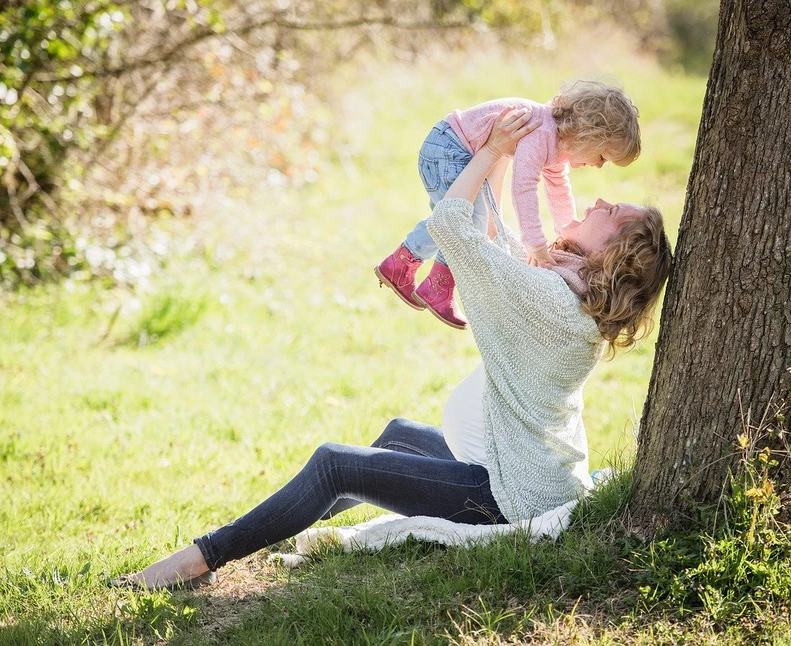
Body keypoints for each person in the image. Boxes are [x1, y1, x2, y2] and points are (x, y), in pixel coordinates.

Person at [115, 108, 671, 591]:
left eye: (613, 212)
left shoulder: (551, 300)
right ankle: (266, 529)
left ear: (615, 254)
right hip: (521, 468)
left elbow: (453, 225)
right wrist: (501, 156)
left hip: (507, 494)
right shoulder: (569, 295)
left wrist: (495, 151)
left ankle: (200, 559)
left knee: (335, 464)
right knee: (397, 435)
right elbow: (496, 242)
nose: (599, 199)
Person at [375, 81, 641, 330]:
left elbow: (558, 189)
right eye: (602, 156)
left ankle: (402, 265)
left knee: (461, 218)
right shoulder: (542, 133)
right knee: (463, 220)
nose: (597, 165)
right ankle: (435, 284)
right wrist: (535, 243)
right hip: (448, 149)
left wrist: (566, 231)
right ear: (587, 135)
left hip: (451, 148)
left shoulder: (557, 143)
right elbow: (523, 187)